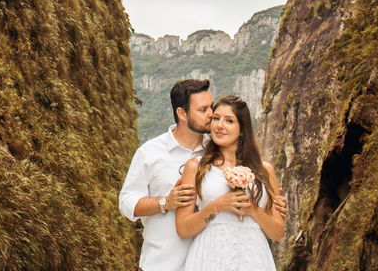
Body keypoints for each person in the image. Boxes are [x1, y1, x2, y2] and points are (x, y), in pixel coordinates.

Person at [175, 95, 284, 271]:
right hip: (211, 255)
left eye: (229, 121)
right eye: (216, 119)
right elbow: (183, 229)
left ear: (242, 129)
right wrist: (217, 206)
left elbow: (278, 232)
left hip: (253, 257)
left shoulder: (264, 171)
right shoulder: (196, 167)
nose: (220, 125)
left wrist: (254, 211)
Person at [120, 79, 214, 271]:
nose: (211, 114)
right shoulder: (149, 152)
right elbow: (126, 202)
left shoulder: (218, 152)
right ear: (182, 113)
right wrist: (165, 202)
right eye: (203, 110)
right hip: (160, 265)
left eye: (211, 107)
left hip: (209, 263)